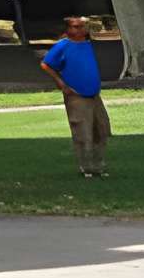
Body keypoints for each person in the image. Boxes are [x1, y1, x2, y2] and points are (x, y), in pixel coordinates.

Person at [39, 14, 111, 177]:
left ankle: (99, 165)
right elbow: (46, 64)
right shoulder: (63, 45)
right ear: (68, 28)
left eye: (83, 26)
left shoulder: (88, 45)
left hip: (94, 95)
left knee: (101, 129)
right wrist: (62, 84)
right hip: (76, 96)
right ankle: (87, 168)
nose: (81, 30)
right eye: (76, 26)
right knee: (83, 132)